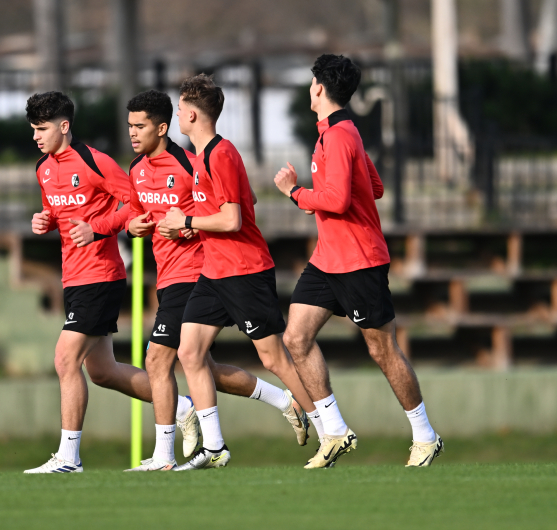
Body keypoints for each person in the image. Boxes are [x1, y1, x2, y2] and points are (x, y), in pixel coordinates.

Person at [119, 90, 314, 471]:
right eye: (129, 126)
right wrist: (134, 226)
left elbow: (235, 205)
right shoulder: (136, 169)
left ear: (162, 127)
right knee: (199, 364)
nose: (132, 133)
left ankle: (165, 455)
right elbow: (136, 214)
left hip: (195, 272)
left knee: (158, 359)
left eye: (139, 125)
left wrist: (191, 227)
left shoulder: (192, 162)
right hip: (169, 274)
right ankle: (283, 403)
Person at [273, 54, 443, 469]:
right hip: (329, 259)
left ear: (319, 87)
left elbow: (337, 199)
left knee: (382, 349)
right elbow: (377, 187)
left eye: (311, 80)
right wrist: (327, 191)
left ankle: (425, 436)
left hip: (359, 261)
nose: (308, 86)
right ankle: (334, 431)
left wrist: (295, 192)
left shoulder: (340, 135)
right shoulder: (341, 131)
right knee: (295, 338)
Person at [22, 91, 199, 474]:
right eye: (33, 129)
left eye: (42, 128)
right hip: (73, 276)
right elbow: (59, 210)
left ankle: (69, 458)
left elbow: (133, 203)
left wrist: (99, 228)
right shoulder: (43, 168)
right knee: (102, 371)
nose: (36, 136)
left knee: (64, 358)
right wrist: (45, 221)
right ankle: (181, 406)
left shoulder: (94, 162)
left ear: (64, 127)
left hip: (101, 276)